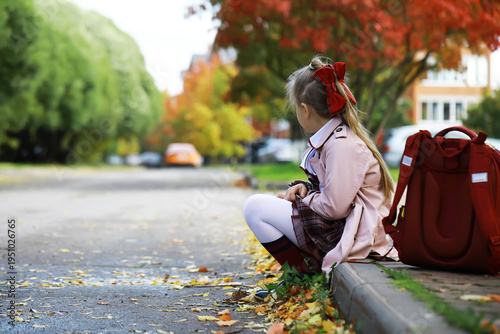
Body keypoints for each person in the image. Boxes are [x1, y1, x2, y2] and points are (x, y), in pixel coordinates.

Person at [243, 56, 397, 277]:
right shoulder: (336, 140)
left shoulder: (341, 145)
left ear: (305, 109)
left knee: (255, 207)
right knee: (267, 206)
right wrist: (307, 189)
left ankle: (303, 278)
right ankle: (300, 277)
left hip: (355, 235)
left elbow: (334, 207)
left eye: (296, 108)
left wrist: (303, 201)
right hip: (348, 228)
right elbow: (338, 192)